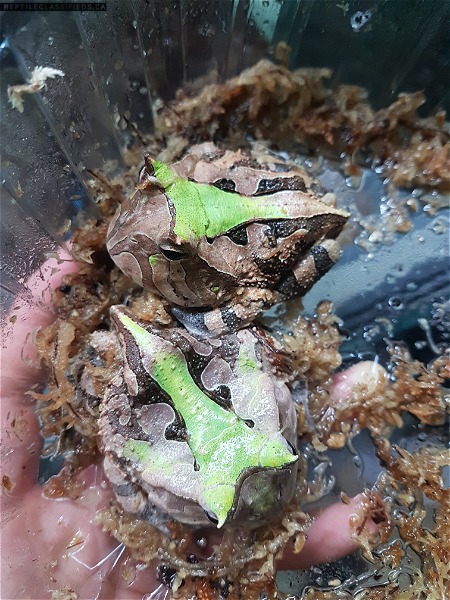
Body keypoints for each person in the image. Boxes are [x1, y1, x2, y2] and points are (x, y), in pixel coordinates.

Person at [1, 253, 380, 599]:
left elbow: (122, 466)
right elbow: (255, 355)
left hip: (218, 483)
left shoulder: (127, 430)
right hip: (211, 487)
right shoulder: (135, 423)